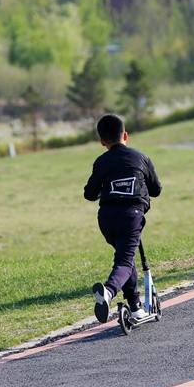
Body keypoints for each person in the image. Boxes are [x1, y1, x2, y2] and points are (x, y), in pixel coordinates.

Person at [83, 113, 162, 323]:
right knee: (125, 261)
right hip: (131, 215)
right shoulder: (141, 158)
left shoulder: (101, 162)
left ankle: (135, 308)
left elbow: (89, 194)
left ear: (102, 142)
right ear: (125, 135)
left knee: (124, 259)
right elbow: (156, 190)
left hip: (106, 218)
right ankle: (108, 292)